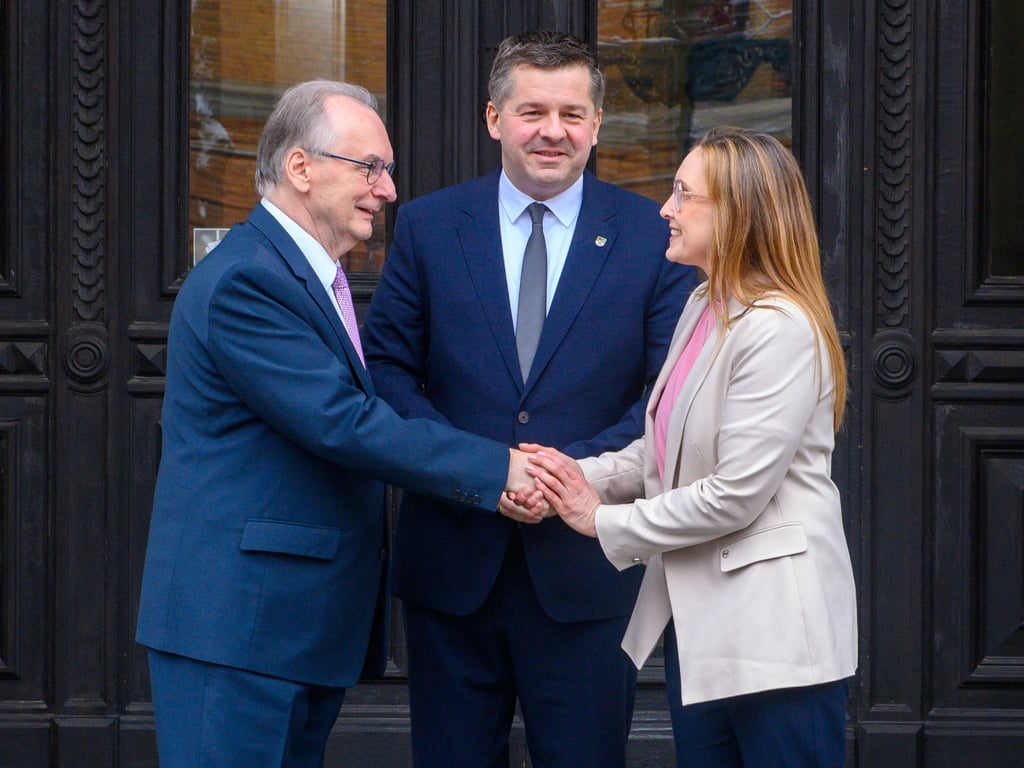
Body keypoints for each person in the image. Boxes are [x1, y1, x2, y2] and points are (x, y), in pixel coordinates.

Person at [135, 80, 536, 768]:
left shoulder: (308, 278)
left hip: (290, 627)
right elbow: (343, 422)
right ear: (301, 168)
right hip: (238, 629)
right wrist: (498, 468)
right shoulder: (248, 281)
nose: (387, 190)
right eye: (370, 168)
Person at [360, 30, 699, 768]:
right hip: (453, 562)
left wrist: (559, 476)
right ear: (493, 119)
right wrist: (483, 470)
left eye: (573, 114)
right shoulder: (429, 224)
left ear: (598, 125)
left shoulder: (653, 237)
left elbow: (666, 394)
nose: (553, 131)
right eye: (533, 111)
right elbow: (386, 369)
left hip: (587, 571)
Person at [520, 126, 858, 767]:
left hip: (775, 639)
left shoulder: (778, 327)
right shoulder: (705, 303)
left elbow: (734, 495)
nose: (664, 210)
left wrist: (600, 521)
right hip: (702, 630)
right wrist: (566, 475)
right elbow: (658, 450)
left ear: (736, 214)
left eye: (683, 194)